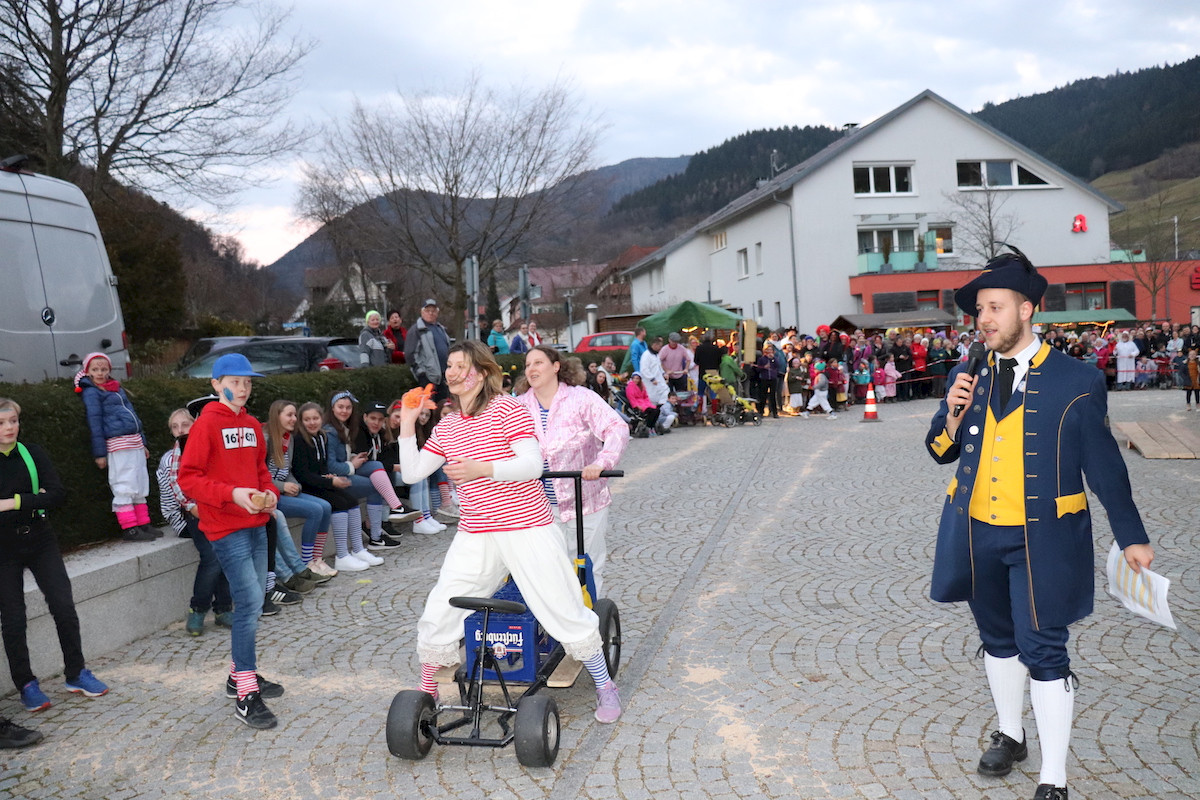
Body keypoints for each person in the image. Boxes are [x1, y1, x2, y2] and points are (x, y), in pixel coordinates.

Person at [926, 250, 1154, 800]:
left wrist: (1131, 536)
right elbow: (939, 450)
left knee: (1045, 649)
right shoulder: (967, 373)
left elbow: (1104, 465)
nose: (983, 319)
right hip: (976, 531)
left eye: (995, 307)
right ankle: (1011, 734)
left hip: (1044, 538)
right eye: (979, 309)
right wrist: (953, 414)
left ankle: (1054, 778)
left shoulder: (1077, 379)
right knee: (997, 640)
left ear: (1026, 309)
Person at [394, 340, 623, 723]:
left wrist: (482, 469)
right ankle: (427, 689)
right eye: (449, 366)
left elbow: (532, 465)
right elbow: (414, 472)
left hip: (527, 527)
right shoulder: (448, 425)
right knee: (442, 605)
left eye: (461, 365)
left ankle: (605, 685)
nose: (452, 372)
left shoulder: (508, 409)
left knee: (561, 603)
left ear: (482, 372)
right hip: (476, 532)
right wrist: (406, 421)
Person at [175, 354, 285, 730]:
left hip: (256, 524)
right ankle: (245, 694)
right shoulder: (205, 425)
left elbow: (261, 472)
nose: (242, 388)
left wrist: (270, 495)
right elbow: (188, 478)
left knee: (252, 603)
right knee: (251, 602)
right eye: (235, 382)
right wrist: (232, 494)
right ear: (216, 384)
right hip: (225, 528)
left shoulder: (252, 424)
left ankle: (239, 675)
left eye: (247, 382)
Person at [0, 397, 110, 717]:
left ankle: (76, 673)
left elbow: (58, 494)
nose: (9, 428)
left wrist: (13, 502)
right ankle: (26, 684)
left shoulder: (33, 453)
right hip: (3, 547)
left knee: (63, 605)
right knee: (14, 619)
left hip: (40, 538)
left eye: (13, 421)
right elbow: (44, 497)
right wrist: (35, 498)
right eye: (2, 423)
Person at [516, 347, 629, 596]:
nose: (531, 369)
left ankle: (590, 613)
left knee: (588, 565)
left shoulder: (582, 398)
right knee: (550, 569)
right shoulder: (519, 406)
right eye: (528, 364)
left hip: (586, 500)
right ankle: (558, 616)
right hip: (540, 507)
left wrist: (602, 462)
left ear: (556, 366)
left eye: (538, 362)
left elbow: (616, 427)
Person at [157, 408, 233, 636]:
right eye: (175, 427)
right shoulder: (171, 458)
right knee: (212, 555)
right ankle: (198, 609)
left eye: (185, 425)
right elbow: (177, 493)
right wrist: (194, 507)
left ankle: (223, 609)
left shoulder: (207, 447)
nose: (180, 430)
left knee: (224, 547)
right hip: (185, 515)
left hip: (211, 511)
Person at [323, 391, 416, 564]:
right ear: (332, 408)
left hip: (346, 470)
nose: (344, 411)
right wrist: (352, 464)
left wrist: (353, 459)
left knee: (376, 467)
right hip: (334, 477)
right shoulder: (331, 431)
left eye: (348, 407)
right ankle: (375, 535)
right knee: (375, 484)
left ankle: (388, 518)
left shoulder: (345, 427)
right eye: (340, 407)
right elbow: (331, 466)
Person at [73, 352, 156, 542]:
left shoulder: (116, 388)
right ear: (87, 371)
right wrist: (100, 453)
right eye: (95, 369)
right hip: (117, 445)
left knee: (139, 483)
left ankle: (143, 523)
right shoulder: (92, 392)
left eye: (104, 369)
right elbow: (95, 422)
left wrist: (142, 443)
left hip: (133, 442)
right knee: (124, 485)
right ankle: (130, 527)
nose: (100, 373)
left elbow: (134, 416)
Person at [263, 400, 342, 577]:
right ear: (277, 416)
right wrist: (282, 486)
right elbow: (259, 476)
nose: (294, 419)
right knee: (315, 510)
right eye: (289, 415)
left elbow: (288, 470)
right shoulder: (266, 440)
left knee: (325, 506)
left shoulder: (288, 438)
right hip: (271, 494)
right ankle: (307, 561)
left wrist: (295, 485)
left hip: (286, 491)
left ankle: (317, 558)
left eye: (294, 415)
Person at [290, 402, 362, 572]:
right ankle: (340, 555)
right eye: (307, 419)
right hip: (306, 486)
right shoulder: (299, 439)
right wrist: (330, 482)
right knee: (338, 503)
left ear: (321, 418)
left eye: (315, 418)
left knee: (351, 501)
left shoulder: (322, 437)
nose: (312, 423)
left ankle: (358, 549)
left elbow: (321, 467)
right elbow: (303, 475)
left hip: (320, 482)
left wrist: (330, 477)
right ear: (301, 421)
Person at [405, 298, 452, 403]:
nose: (430, 313)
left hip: (444, 375)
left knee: (444, 406)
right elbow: (410, 355)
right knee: (429, 406)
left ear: (437, 313)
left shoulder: (441, 329)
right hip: (428, 377)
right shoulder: (416, 330)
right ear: (422, 312)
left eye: (433, 311)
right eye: (427, 310)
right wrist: (421, 373)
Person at [754, 343, 780, 418]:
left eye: (770, 350)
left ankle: (774, 412)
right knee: (763, 395)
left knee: (772, 395)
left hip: (773, 378)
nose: (769, 351)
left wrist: (773, 358)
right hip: (764, 378)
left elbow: (778, 365)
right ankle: (761, 411)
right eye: (768, 350)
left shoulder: (774, 358)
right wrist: (764, 367)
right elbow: (758, 369)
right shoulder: (762, 359)